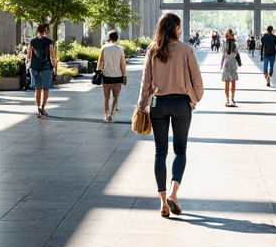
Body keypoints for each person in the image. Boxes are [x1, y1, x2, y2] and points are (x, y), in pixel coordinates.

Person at [135, 12, 204, 218]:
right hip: (182, 103)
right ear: (175, 27)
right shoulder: (186, 50)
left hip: (158, 103)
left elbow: (145, 81)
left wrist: (141, 105)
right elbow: (197, 81)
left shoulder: (153, 50)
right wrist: (194, 99)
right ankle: (174, 193)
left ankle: (163, 202)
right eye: (179, 26)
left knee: (160, 152)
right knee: (180, 150)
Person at [26, 23, 57, 118]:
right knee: (46, 89)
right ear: (45, 30)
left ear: (37, 30)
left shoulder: (32, 41)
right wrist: (55, 67)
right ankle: (43, 108)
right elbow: (52, 55)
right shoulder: (49, 41)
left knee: (37, 89)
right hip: (46, 68)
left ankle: (38, 108)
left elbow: (29, 56)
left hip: (35, 67)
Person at [98, 29, 127, 122]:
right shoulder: (120, 49)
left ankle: (106, 115)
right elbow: (122, 64)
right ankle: (112, 113)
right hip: (118, 77)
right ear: (117, 38)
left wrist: (99, 71)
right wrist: (124, 75)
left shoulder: (104, 48)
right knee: (116, 97)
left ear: (108, 38)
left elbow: (100, 62)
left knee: (106, 97)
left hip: (106, 76)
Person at [220, 28, 240, 106]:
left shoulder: (225, 44)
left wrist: (221, 65)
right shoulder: (234, 44)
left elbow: (223, 55)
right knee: (231, 80)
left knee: (229, 81)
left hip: (228, 63)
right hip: (231, 63)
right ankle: (230, 98)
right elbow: (237, 53)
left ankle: (229, 99)